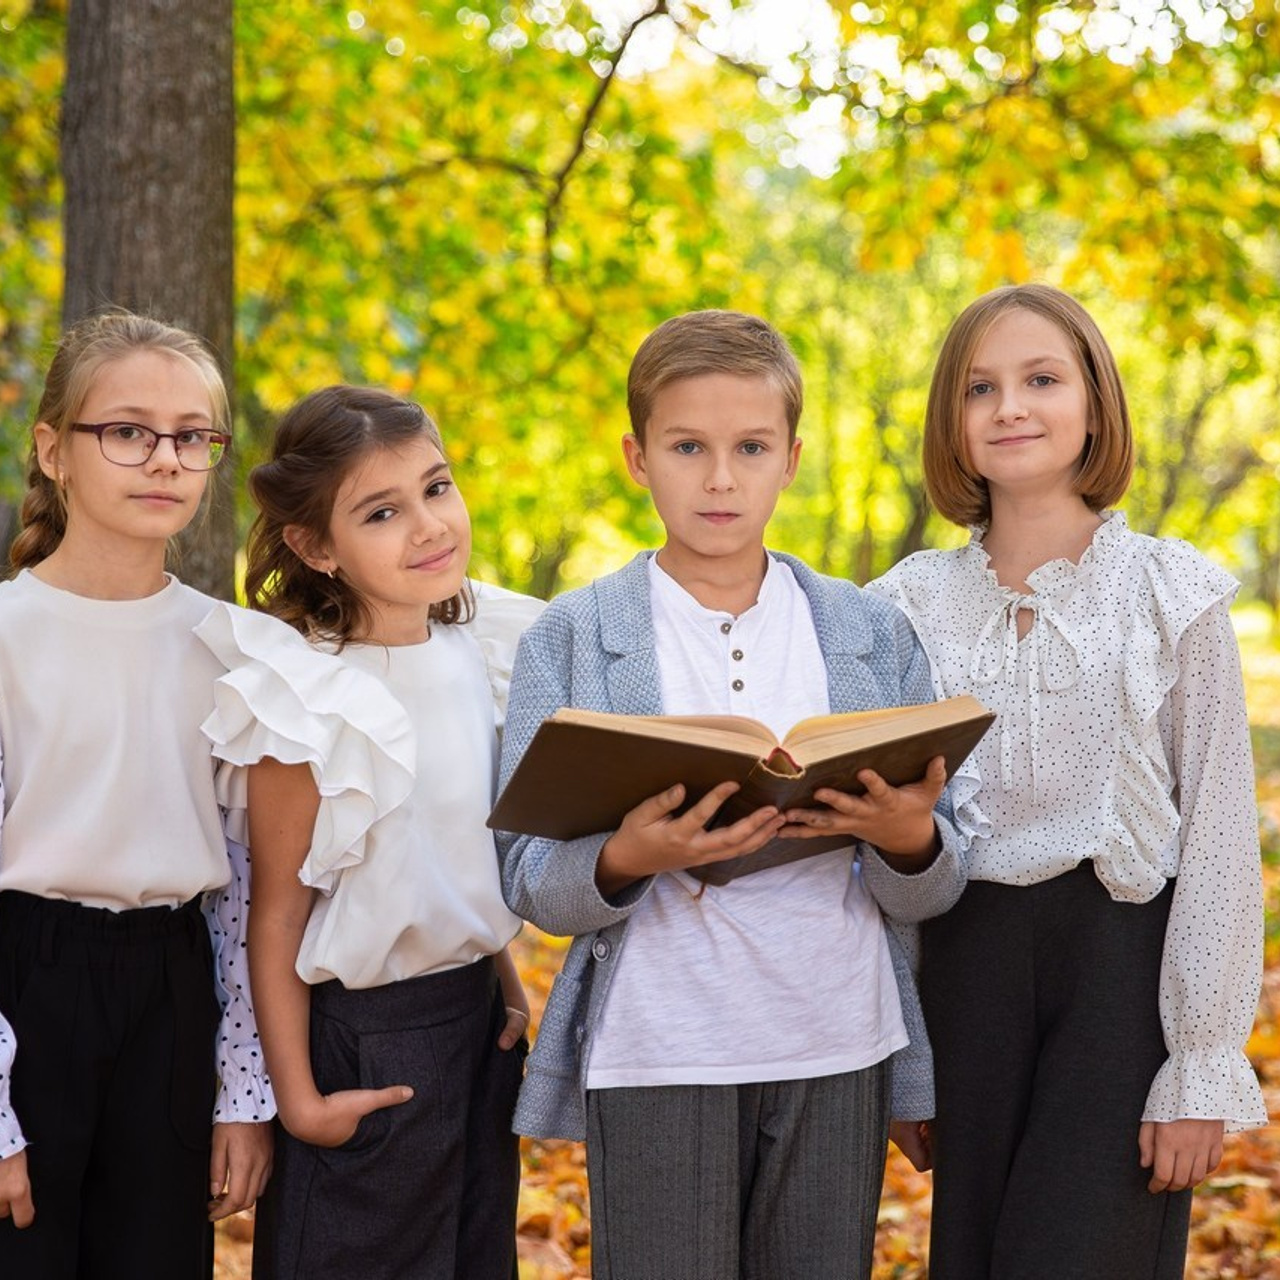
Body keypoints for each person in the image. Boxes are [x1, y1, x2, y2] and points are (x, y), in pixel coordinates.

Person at [495, 309, 969, 1280]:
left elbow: (934, 880)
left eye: (749, 446)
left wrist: (903, 837)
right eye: (687, 446)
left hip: (839, 1035)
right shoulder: (572, 637)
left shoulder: (871, 634)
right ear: (636, 456)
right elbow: (528, 879)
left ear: (790, 457)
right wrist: (631, 856)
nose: (719, 477)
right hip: (658, 1044)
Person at [870, 283, 1267, 1279]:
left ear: (1092, 402)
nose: (1009, 406)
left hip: (1117, 977)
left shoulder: (1165, 591)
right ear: (949, 425)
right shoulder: (906, 607)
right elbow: (880, 843)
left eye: (1039, 379)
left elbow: (1217, 833)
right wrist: (905, 1053)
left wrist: (1198, 1062)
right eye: (979, 388)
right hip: (966, 971)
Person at [209, 385, 541, 1280]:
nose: (429, 525)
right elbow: (275, 914)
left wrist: (502, 979)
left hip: (475, 1028)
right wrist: (302, 1103)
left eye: (437, 488)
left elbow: (450, 856)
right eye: (383, 511)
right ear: (317, 547)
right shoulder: (304, 695)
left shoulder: (481, 653)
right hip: (364, 1038)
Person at [0, 311, 274, 1278]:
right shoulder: (7, 636)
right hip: (25, 984)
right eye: (127, 431)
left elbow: (245, 885)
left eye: (193, 437)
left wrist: (243, 1091)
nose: (165, 459)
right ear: (53, 450)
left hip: (172, 987)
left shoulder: (235, 649)